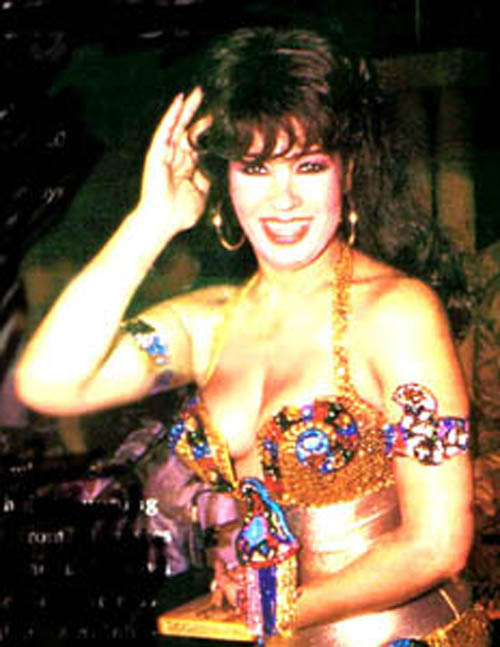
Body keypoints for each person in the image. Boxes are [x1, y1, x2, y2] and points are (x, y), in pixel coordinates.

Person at [15, 26, 490, 647]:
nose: (283, 199)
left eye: (309, 166)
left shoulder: (397, 313)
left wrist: (273, 609)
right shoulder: (207, 323)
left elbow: (438, 545)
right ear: (226, 179)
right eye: (257, 167)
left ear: (346, 173)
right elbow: (48, 383)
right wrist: (151, 222)